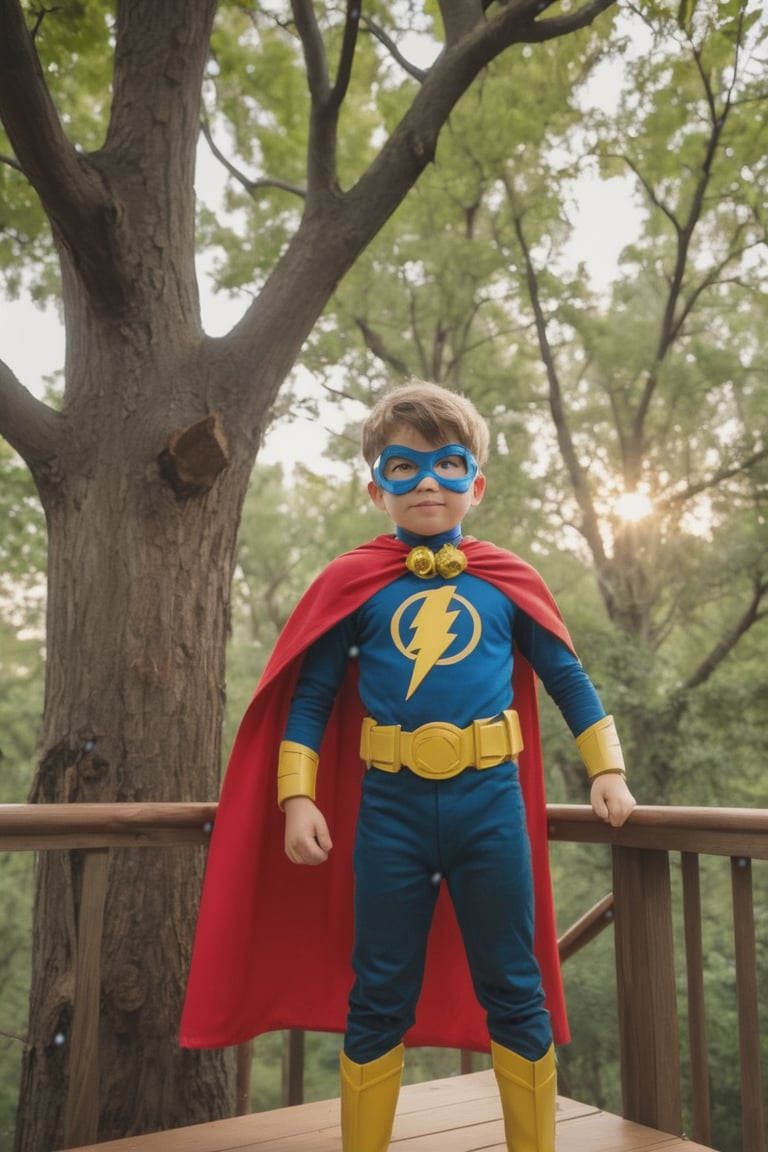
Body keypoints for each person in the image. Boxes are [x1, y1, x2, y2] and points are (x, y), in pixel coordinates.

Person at [180, 379, 635, 1152]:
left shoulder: (505, 580)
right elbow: (313, 697)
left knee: (514, 989)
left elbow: (567, 676)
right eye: (403, 467)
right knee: (380, 991)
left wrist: (608, 769)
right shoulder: (352, 584)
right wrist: (297, 798)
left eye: (448, 464)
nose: (427, 481)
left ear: (475, 484)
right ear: (376, 487)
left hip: (490, 806)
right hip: (388, 812)